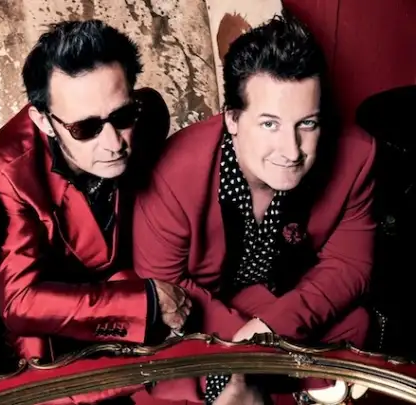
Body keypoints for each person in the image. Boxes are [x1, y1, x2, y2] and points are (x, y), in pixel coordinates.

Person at [132, 12, 376, 405]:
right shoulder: (174, 173)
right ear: (232, 118)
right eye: (269, 124)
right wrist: (245, 353)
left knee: (358, 324)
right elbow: (164, 287)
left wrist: (271, 329)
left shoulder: (357, 155)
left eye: (307, 124)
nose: (291, 150)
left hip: (285, 305)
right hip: (201, 318)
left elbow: (349, 265)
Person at [0, 19, 192, 370]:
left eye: (122, 116)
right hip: (49, 327)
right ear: (44, 121)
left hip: (131, 280)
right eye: (85, 128)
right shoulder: (4, 173)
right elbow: (20, 302)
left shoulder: (148, 115)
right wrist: (144, 303)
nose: (113, 143)